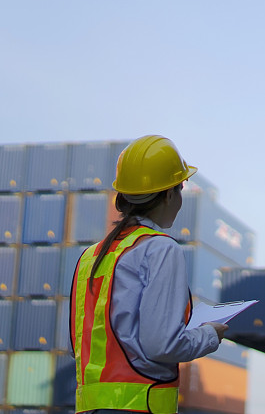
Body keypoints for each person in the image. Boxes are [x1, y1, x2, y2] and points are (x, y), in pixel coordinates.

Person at [70, 135, 228, 414]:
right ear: (168, 194)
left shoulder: (90, 256)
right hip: (140, 407)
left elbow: (77, 344)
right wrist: (210, 335)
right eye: (180, 188)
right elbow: (162, 345)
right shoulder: (160, 248)